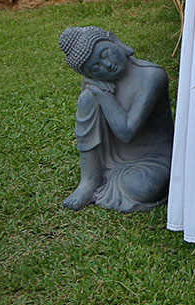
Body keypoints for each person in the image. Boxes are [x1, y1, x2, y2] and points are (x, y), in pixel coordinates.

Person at [59, 26, 172, 213]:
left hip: (154, 159)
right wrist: (93, 94)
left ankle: (106, 181)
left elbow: (126, 133)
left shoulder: (152, 76)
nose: (107, 65)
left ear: (115, 41)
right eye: (95, 68)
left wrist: (105, 97)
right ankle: (90, 181)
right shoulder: (96, 85)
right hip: (113, 160)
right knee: (87, 98)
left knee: (143, 187)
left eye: (105, 54)